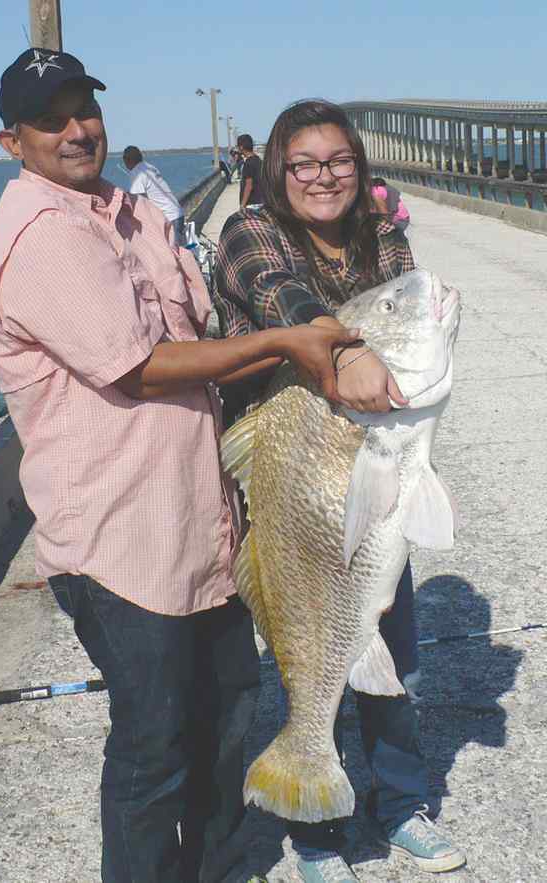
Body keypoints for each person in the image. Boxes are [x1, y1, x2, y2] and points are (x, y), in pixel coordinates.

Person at [0, 51, 361, 883]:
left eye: (86, 108)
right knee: (155, 749)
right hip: (121, 541)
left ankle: (221, 870)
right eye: (52, 120)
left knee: (229, 717)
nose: (78, 130)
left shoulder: (127, 209)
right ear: (13, 140)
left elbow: (203, 322)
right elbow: (142, 364)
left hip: (203, 529)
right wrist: (283, 341)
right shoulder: (42, 235)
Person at [214, 99, 466, 882]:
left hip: (375, 468)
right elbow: (279, 298)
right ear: (278, 171)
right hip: (295, 482)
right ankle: (314, 829)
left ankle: (399, 806)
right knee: (308, 656)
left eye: (339, 162)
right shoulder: (249, 232)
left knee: (396, 657)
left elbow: (409, 315)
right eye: (305, 164)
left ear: (359, 169)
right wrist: (349, 343)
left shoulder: (383, 236)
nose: (324, 178)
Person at [122, 144, 186, 245]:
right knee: (180, 252)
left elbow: (137, 202)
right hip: (177, 213)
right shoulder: (149, 167)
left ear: (128, 160)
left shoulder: (137, 173)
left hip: (169, 218)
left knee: (173, 255)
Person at [236, 133, 264, 209]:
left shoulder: (248, 163)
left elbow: (249, 185)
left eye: (237, 146)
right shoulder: (258, 160)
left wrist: (242, 205)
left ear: (241, 147)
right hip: (260, 201)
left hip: (252, 204)